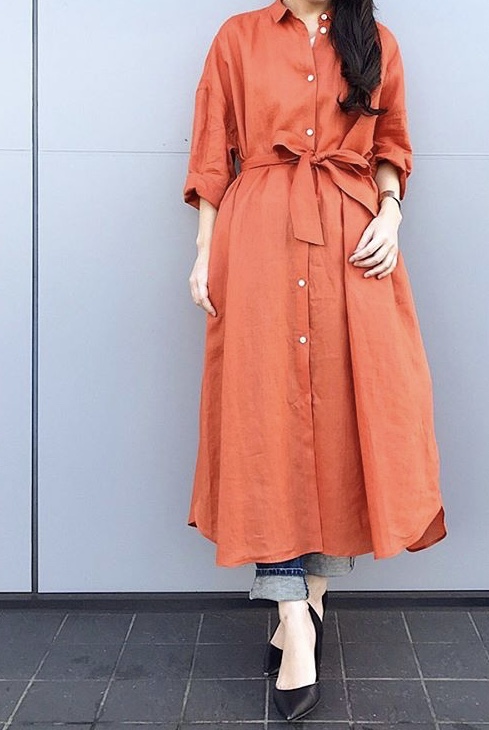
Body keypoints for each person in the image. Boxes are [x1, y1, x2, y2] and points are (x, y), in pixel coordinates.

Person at [182, 0, 448, 721]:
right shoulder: (238, 37)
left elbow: (391, 141)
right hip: (259, 239)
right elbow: (212, 149)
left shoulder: (374, 41)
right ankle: (294, 620)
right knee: (266, 429)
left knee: (341, 426)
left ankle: (309, 600)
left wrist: (390, 216)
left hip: (351, 243)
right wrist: (204, 252)